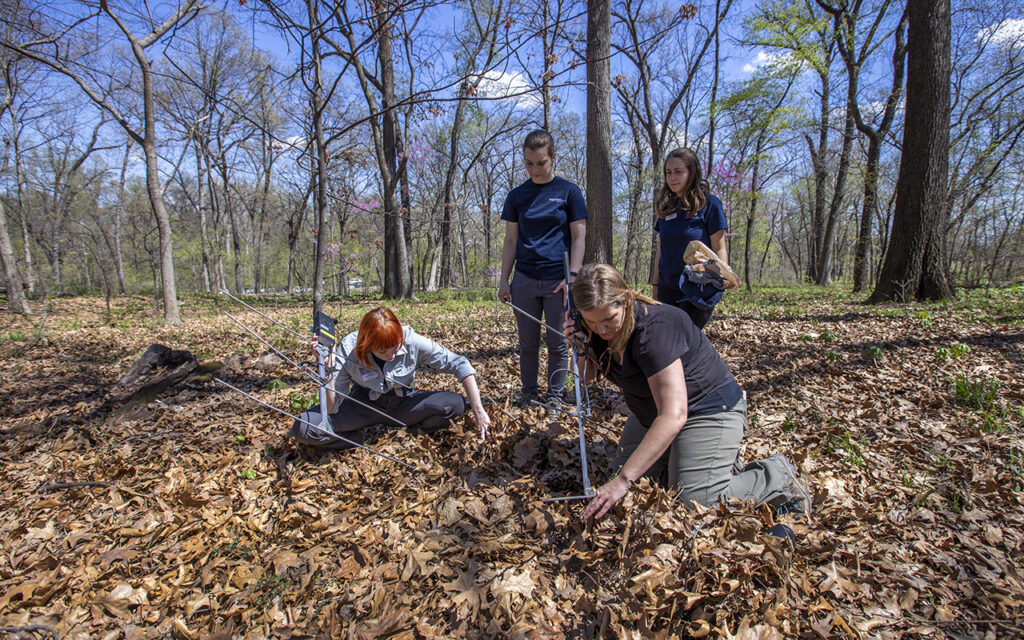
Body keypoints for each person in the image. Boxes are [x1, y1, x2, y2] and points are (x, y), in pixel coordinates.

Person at [563, 264, 811, 521]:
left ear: (626, 299)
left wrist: (625, 479)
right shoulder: (594, 328)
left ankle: (775, 475)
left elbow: (674, 414)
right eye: (591, 321)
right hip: (653, 411)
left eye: (608, 319)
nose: (601, 329)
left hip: (707, 408)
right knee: (628, 489)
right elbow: (586, 377)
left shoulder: (654, 330)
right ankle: (700, 464)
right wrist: (578, 347)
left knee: (694, 502)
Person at [292, 307, 491, 449]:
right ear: (367, 344)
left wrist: (479, 410)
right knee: (303, 427)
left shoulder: (410, 339)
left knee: (454, 404)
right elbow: (332, 406)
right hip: (362, 405)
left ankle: (413, 431)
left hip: (403, 403)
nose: (392, 355)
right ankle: (355, 438)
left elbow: (459, 364)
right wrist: (326, 371)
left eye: (395, 347)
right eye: (383, 351)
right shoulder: (347, 349)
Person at [498, 129, 588, 406]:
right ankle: (528, 394)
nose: (534, 169)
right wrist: (504, 280)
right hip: (524, 278)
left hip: (558, 280)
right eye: (528, 163)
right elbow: (511, 240)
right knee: (527, 343)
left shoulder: (569, 192)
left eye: (541, 163)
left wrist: (572, 276)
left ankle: (555, 397)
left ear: (552, 158)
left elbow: (579, 235)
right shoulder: (517, 196)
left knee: (559, 343)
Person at [652, 148, 731, 329]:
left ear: (692, 172)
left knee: (687, 341)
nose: (672, 178)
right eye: (668, 173)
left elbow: (720, 248)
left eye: (678, 172)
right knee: (669, 343)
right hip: (667, 287)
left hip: (696, 285)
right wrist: (655, 284)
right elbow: (661, 249)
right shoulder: (666, 208)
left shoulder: (710, 204)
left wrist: (718, 280)